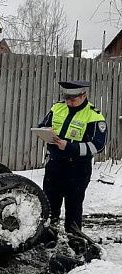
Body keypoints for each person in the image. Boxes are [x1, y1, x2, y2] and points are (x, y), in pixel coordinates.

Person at [38, 80, 107, 233]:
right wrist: (45, 131)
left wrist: (69, 147)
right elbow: (43, 124)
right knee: (48, 208)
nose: (69, 102)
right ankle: (47, 241)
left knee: (73, 210)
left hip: (77, 169)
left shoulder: (94, 116)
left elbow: (98, 146)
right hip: (55, 166)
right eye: (66, 98)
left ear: (84, 96)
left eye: (73, 99)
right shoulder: (57, 107)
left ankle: (75, 244)